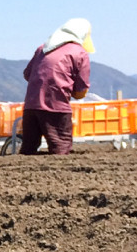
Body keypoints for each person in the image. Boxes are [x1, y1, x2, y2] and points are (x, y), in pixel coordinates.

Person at [20, 18, 93, 155]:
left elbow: (27, 74)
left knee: (28, 150)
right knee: (60, 149)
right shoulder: (79, 52)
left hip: (31, 105)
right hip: (56, 107)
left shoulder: (43, 48)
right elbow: (81, 91)